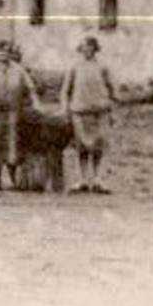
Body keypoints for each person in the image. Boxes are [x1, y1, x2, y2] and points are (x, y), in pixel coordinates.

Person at [0, 40, 39, 191]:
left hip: (13, 113)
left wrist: (36, 103)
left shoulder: (19, 70)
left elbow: (31, 88)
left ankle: (12, 179)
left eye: (7, 51)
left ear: (11, 54)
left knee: (12, 146)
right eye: (0, 50)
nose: (3, 54)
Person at [60, 35, 116, 194]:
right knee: (82, 147)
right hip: (80, 112)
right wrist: (65, 109)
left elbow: (111, 88)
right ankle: (82, 180)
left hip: (100, 112)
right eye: (85, 46)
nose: (87, 50)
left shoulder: (102, 66)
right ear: (81, 49)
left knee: (98, 146)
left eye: (91, 47)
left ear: (95, 49)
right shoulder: (74, 66)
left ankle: (98, 180)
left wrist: (111, 108)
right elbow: (65, 90)